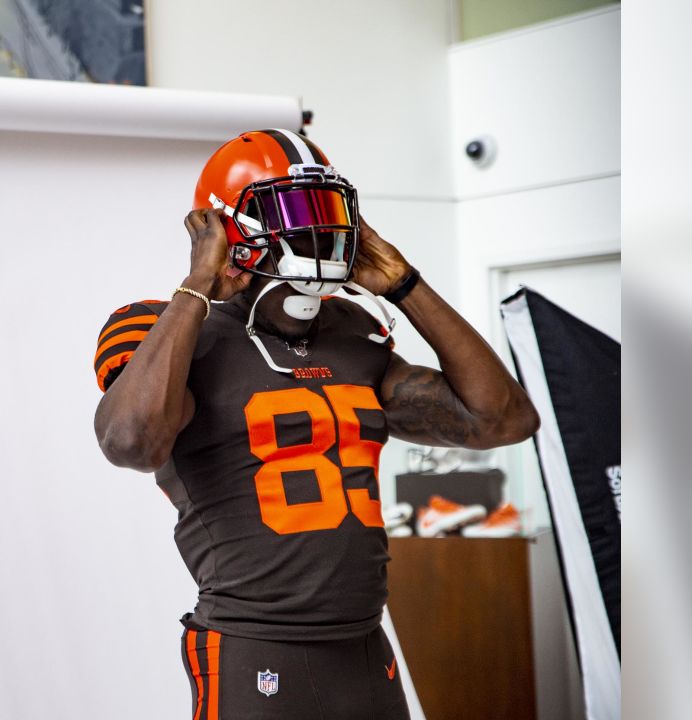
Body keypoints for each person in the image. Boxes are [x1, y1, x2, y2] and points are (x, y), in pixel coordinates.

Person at [91, 129, 539, 719]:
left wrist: (407, 287)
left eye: (326, 209)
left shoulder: (350, 331)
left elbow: (503, 418)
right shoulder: (169, 329)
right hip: (254, 647)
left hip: (365, 647)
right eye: (294, 210)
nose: (316, 229)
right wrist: (198, 284)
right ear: (225, 227)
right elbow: (131, 443)